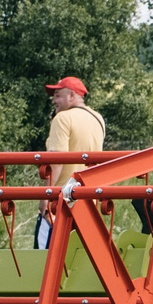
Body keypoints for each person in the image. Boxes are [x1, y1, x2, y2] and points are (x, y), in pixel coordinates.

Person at [36, 75, 107, 250]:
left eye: (58, 95)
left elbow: (56, 161)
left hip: (61, 203)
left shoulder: (62, 119)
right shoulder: (98, 119)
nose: (54, 101)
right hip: (88, 202)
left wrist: (46, 198)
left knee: (44, 260)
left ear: (72, 96)